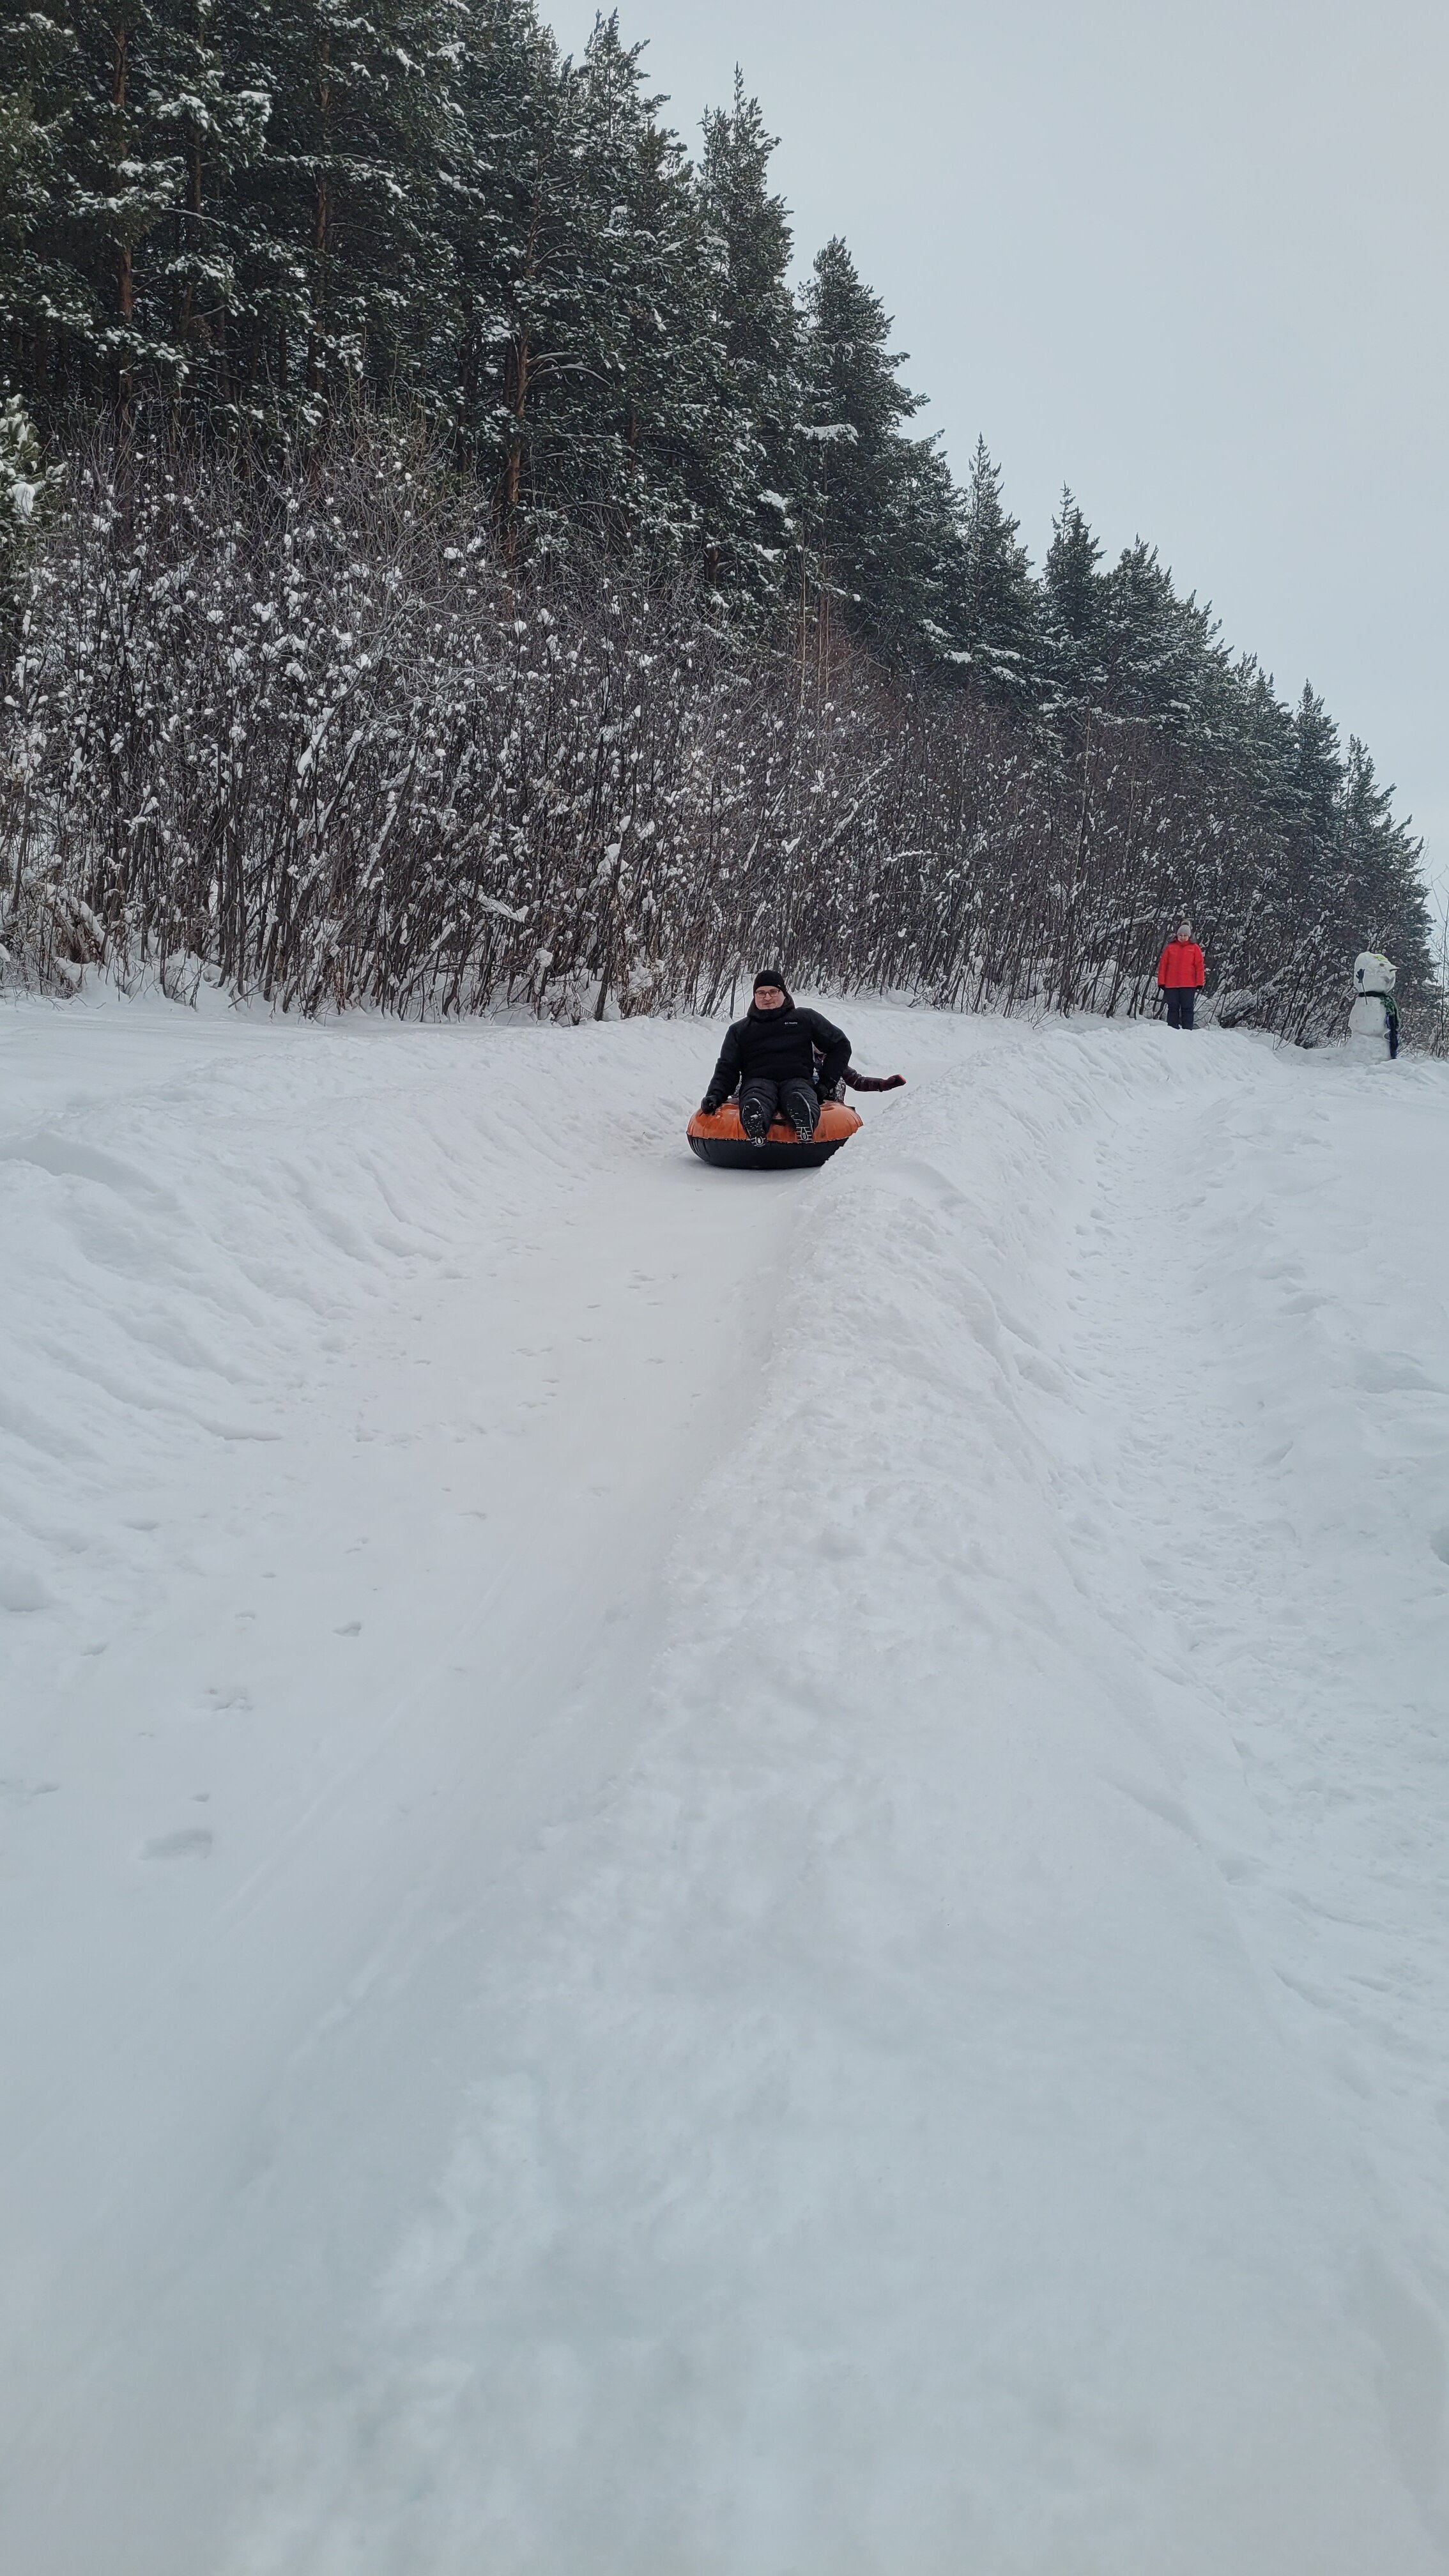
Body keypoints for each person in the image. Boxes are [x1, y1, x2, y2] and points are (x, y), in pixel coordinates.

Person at [700, 972, 850, 1147]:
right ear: (755, 996)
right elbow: (727, 1068)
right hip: (758, 1080)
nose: (767, 997)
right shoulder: (741, 1030)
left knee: (799, 1093)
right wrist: (715, 1095)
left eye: (773, 992)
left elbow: (840, 1045)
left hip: (797, 1078)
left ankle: (804, 1118)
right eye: (761, 993)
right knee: (756, 1094)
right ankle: (755, 1121)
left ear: (783, 994)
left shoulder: (804, 1019)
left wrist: (825, 1084)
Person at [1157, 917, 1205, 1029]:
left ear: (1189, 936)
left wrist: (1200, 982)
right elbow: (1163, 966)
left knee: (1187, 1008)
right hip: (1171, 984)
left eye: (1185, 935)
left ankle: (1187, 1030)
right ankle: (1172, 1029)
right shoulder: (1170, 948)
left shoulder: (1195, 948)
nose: (1182, 938)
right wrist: (1161, 982)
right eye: (1181, 935)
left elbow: (1199, 967)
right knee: (1172, 1008)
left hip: (1189, 984)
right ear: (1177, 936)